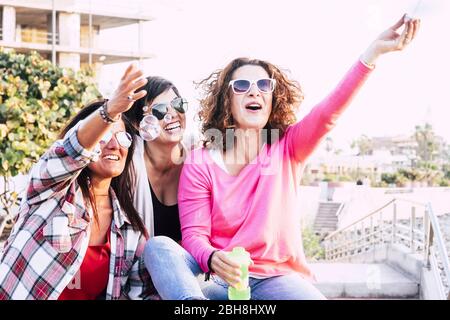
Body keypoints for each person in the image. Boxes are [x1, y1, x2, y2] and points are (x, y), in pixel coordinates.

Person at [144, 14, 421, 300]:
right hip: (219, 282)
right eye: (241, 86)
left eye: (264, 85)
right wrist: (214, 259)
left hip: (276, 280)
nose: (255, 91)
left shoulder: (288, 147)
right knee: (159, 248)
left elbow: (327, 114)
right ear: (227, 100)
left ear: (272, 97)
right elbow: (194, 236)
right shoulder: (199, 162)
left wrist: (371, 55)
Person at [0, 65, 157, 300]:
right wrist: (110, 111)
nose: (114, 145)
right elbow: (70, 151)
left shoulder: (131, 228)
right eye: (104, 137)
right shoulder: (52, 189)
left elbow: (139, 294)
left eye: (121, 137)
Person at [123, 76, 189, 243]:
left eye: (178, 104)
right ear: (138, 124)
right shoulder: (125, 167)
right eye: (159, 110)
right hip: (139, 266)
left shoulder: (199, 162)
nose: (173, 114)